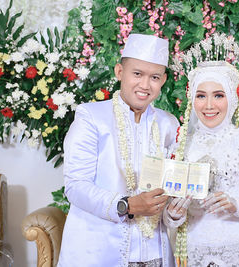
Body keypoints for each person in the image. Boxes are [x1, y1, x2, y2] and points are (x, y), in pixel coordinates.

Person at [58, 34, 178, 267]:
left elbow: (173, 189)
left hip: (156, 253)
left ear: (163, 80)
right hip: (100, 252)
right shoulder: (91, 117)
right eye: (137, 74)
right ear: (119, 72)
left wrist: (175, 210)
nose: (145, 85)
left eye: (154, 77)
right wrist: (128, 204)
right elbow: (75, 186)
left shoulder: (168, 124)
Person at [163, 61, 239, 267]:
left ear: (232, 98)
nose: (209, 105)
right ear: (192, 99)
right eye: (201, 96)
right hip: (194, 255)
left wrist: (236, 205)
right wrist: (173, 214)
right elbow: (168, 215)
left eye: (218, 95)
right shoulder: (180, 145)